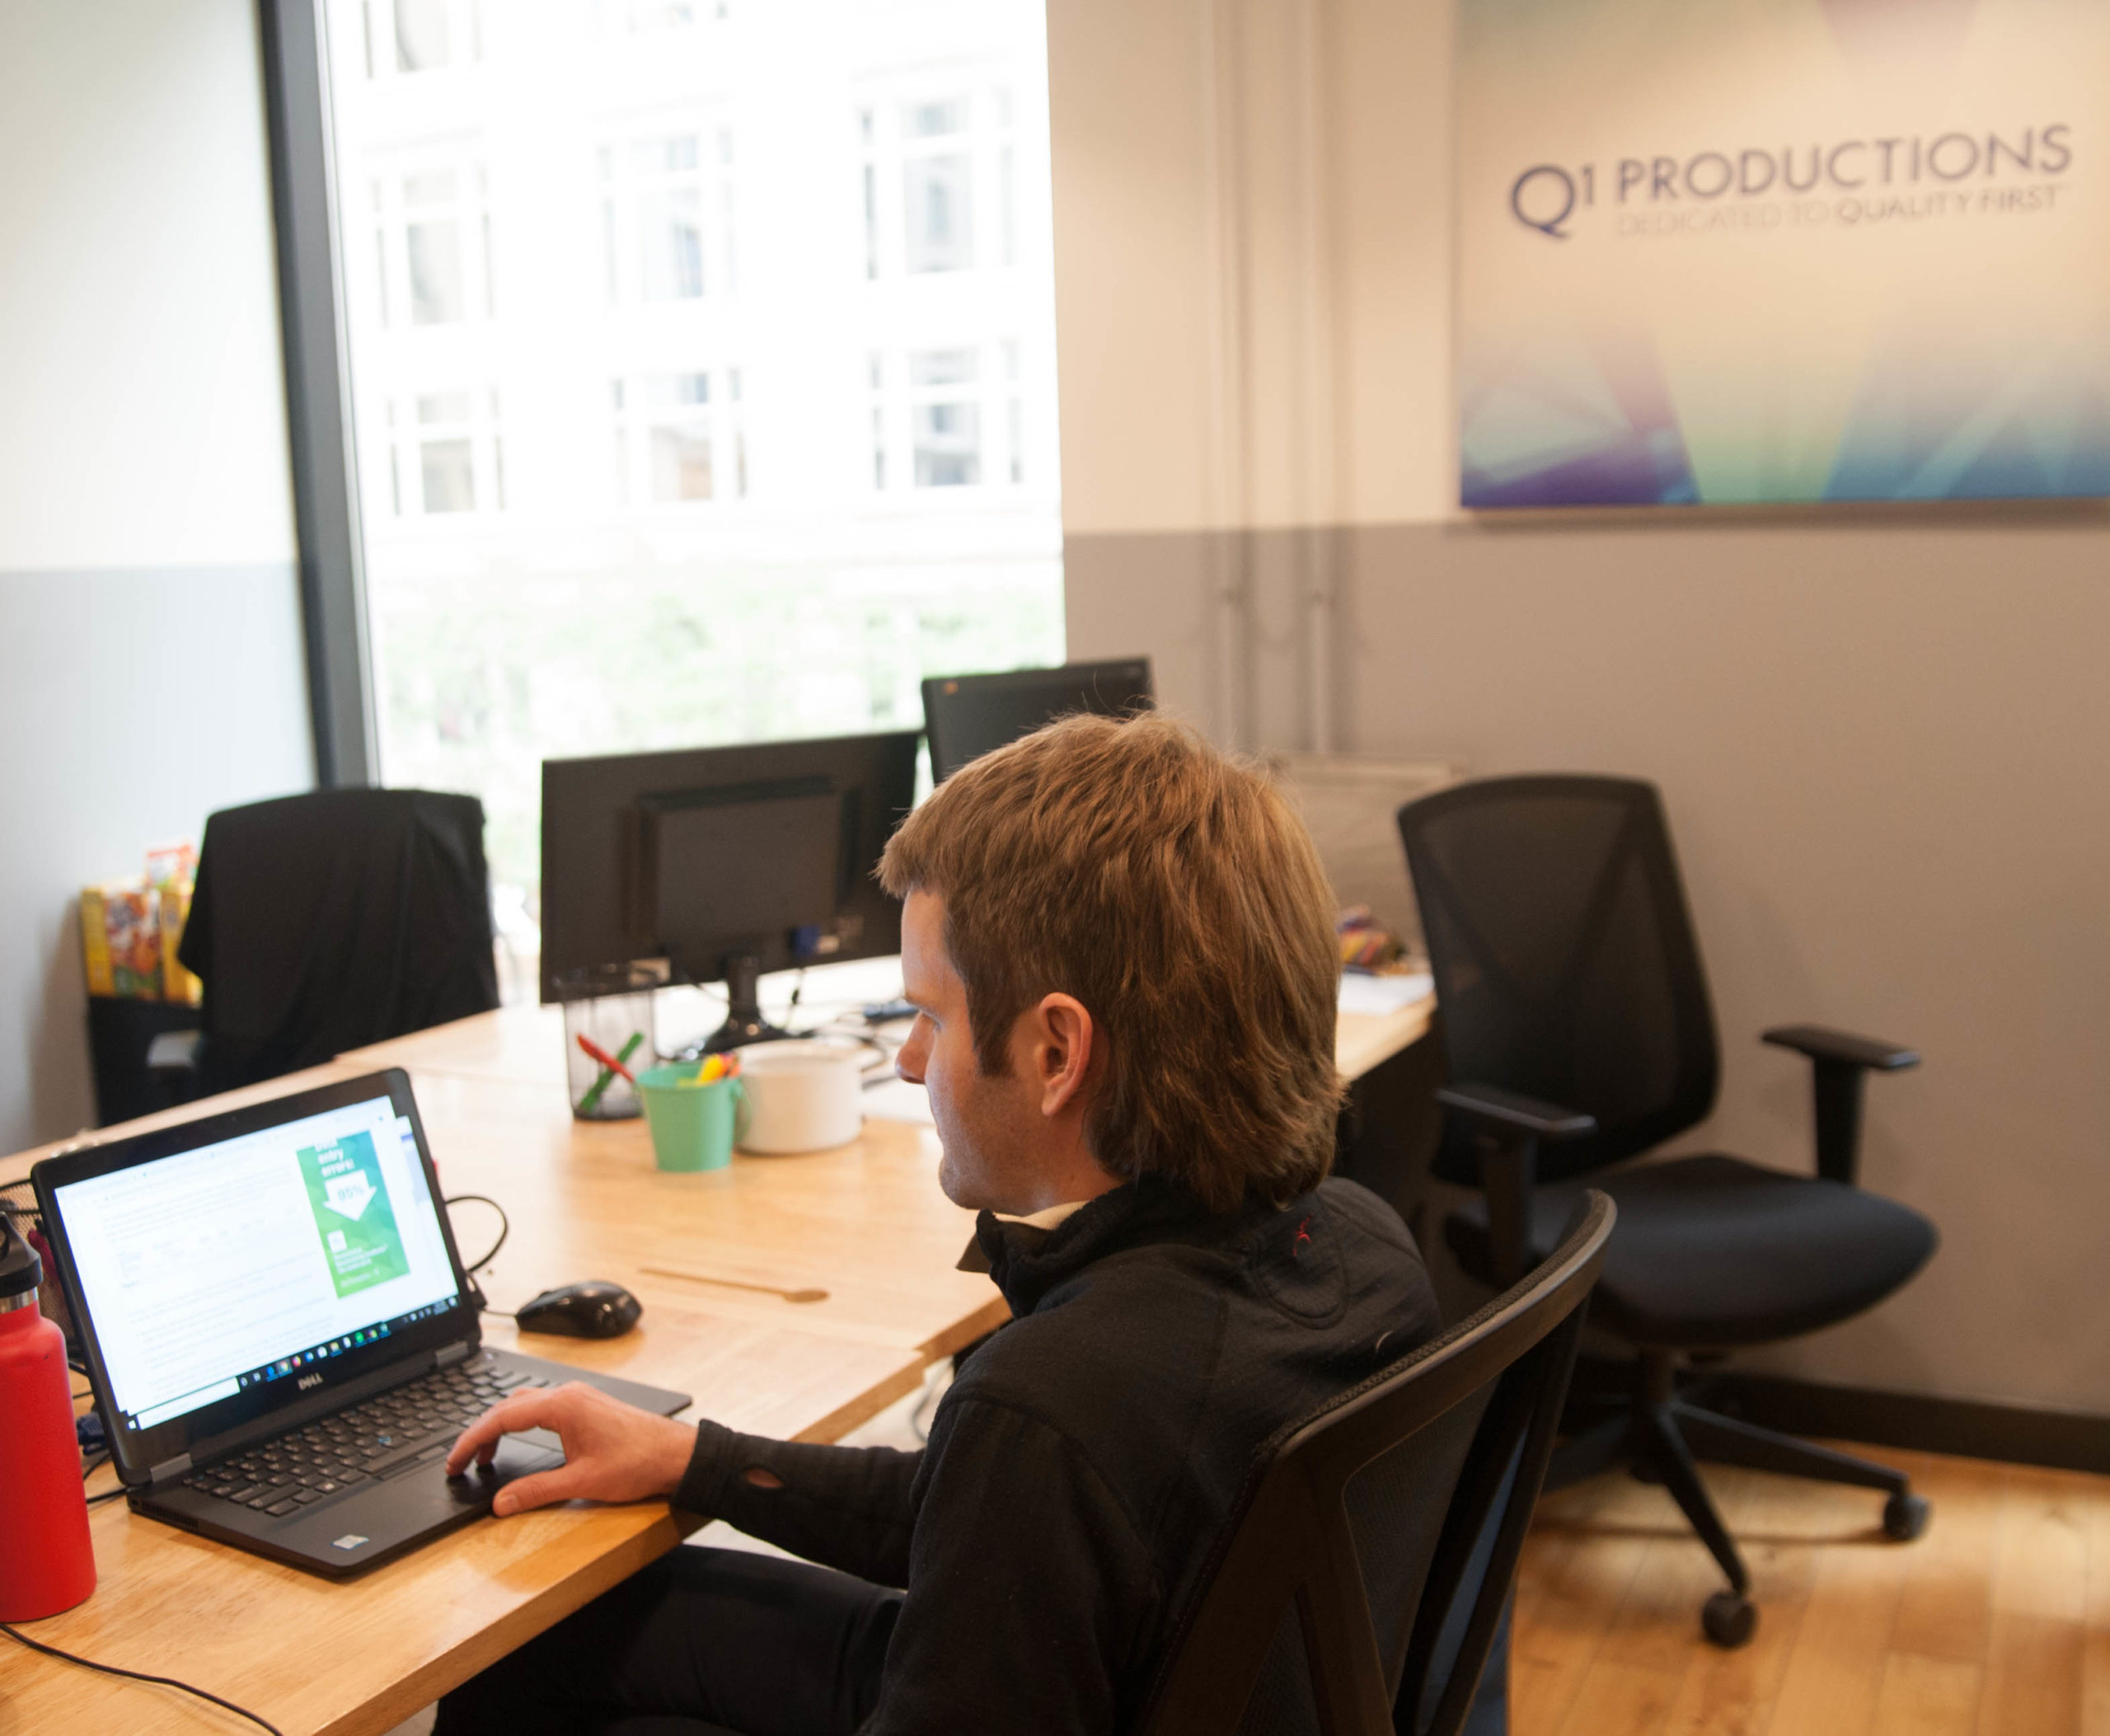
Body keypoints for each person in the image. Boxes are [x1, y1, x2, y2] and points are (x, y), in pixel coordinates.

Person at [434, 712, 1445, 1736]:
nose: (912, 1060)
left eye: (932, 1014)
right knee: (574, 1633)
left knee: (510, 1693)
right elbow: (987, 1510)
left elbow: (1019, 1474)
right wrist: (694, 1460)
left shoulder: (1056, 1401)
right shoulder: (1360, 1246)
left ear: (1057, 1053)